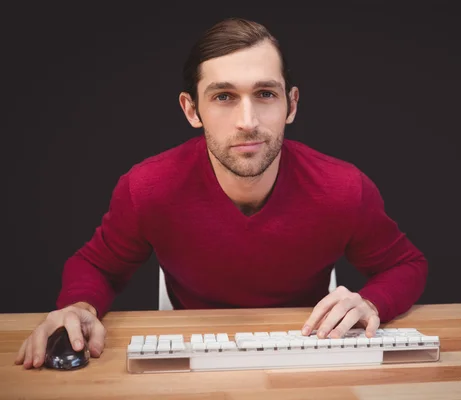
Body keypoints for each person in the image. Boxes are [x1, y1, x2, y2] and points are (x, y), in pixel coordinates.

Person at [15, 17, 428, 369]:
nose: (247, 121)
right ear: (192, 109)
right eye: (224, 97)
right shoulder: (148, 188)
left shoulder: (343, 188)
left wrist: (372, 303)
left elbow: (406, 264)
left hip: (306, 355)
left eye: (265, 94)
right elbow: (97, 266)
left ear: (291, 105)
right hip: (191, 359)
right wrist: (79, 308)